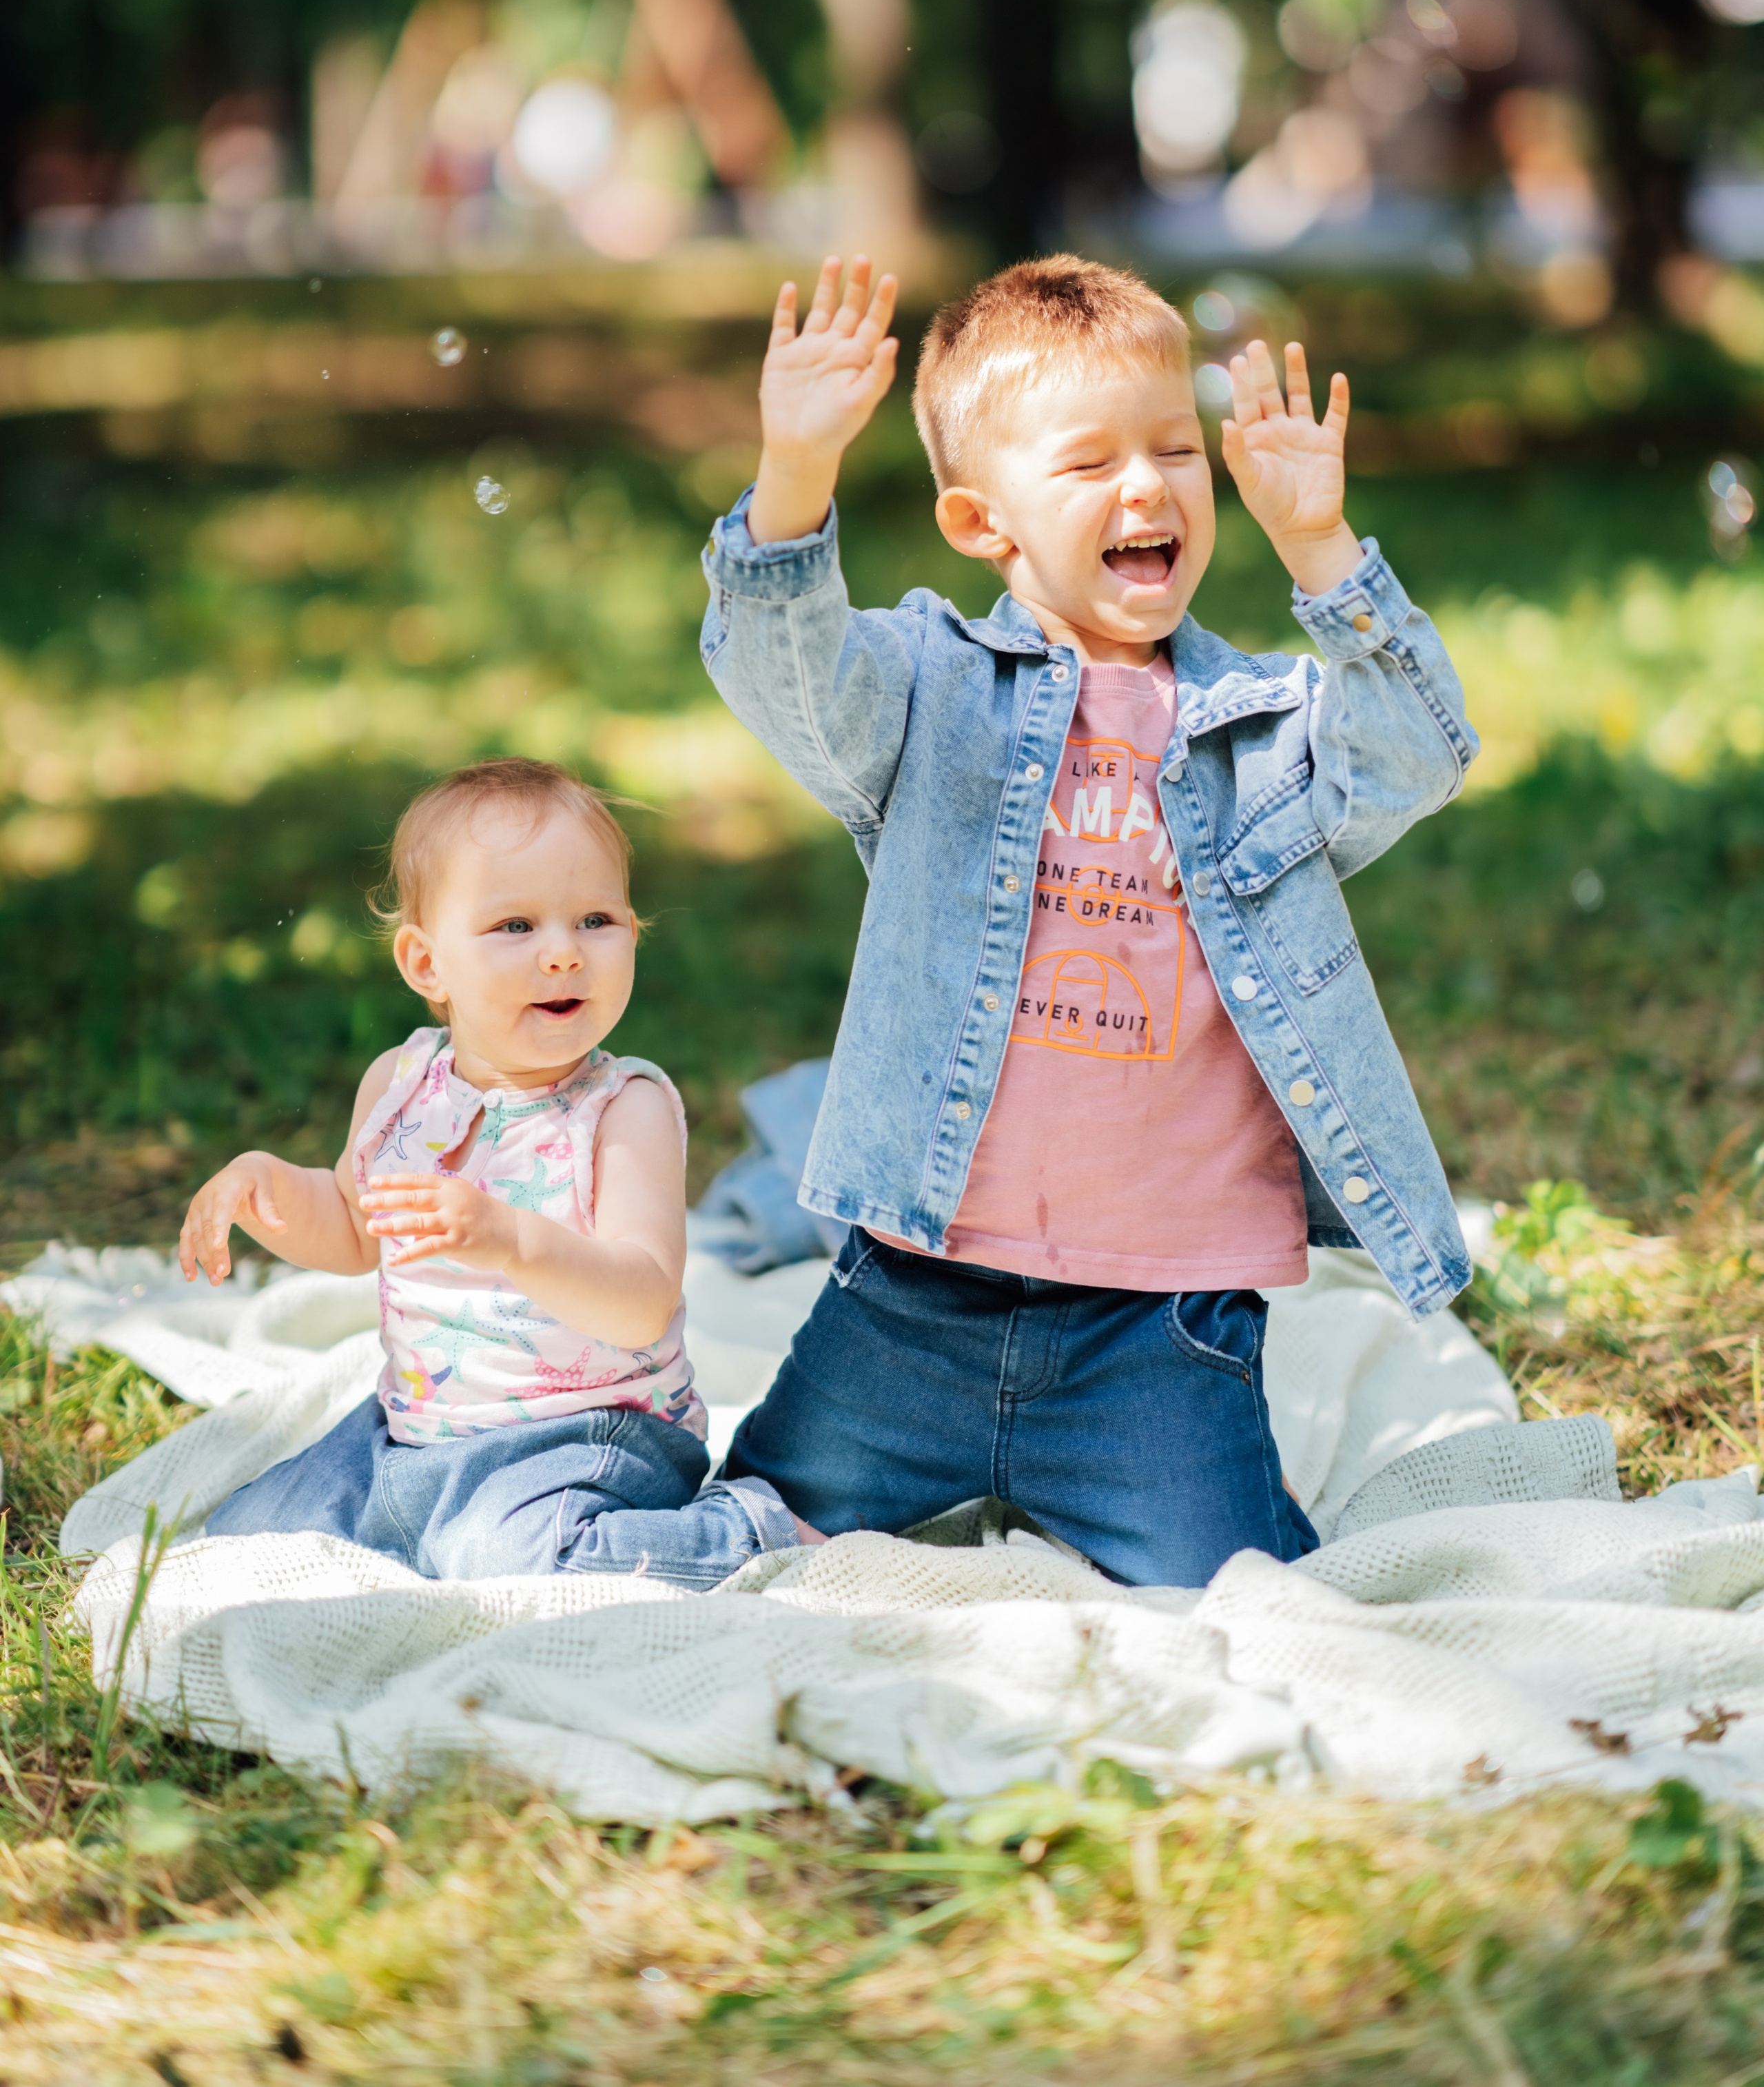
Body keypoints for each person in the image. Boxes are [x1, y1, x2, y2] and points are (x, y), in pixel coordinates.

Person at [700, 250, 1478, 1589]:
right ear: (976, 521)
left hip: (1156, 1335)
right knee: (731, 1554)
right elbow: (784, 677)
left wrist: (1317, 546)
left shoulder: (1255, 730)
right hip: (908, 1309)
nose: (1146, 486)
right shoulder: (929, 691)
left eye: (1176, 448)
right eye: (1086, 465)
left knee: (1239, 1598)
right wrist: (793, 471)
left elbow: (1415, 748)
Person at [181, 757, 808, 1587]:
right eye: (515, 926)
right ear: (426, 964)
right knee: (240, 1542)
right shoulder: (400, 1085)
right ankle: (423, 1523)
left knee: (523, 1567)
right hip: (412, 1430)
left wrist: (511, 1239)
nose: (562, 954)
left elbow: (642, 1297)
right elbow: (350, 1224)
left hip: (586, 1433)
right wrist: (266, 1187)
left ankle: (746, 1529)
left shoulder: (623, 1108)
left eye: (595, 919)